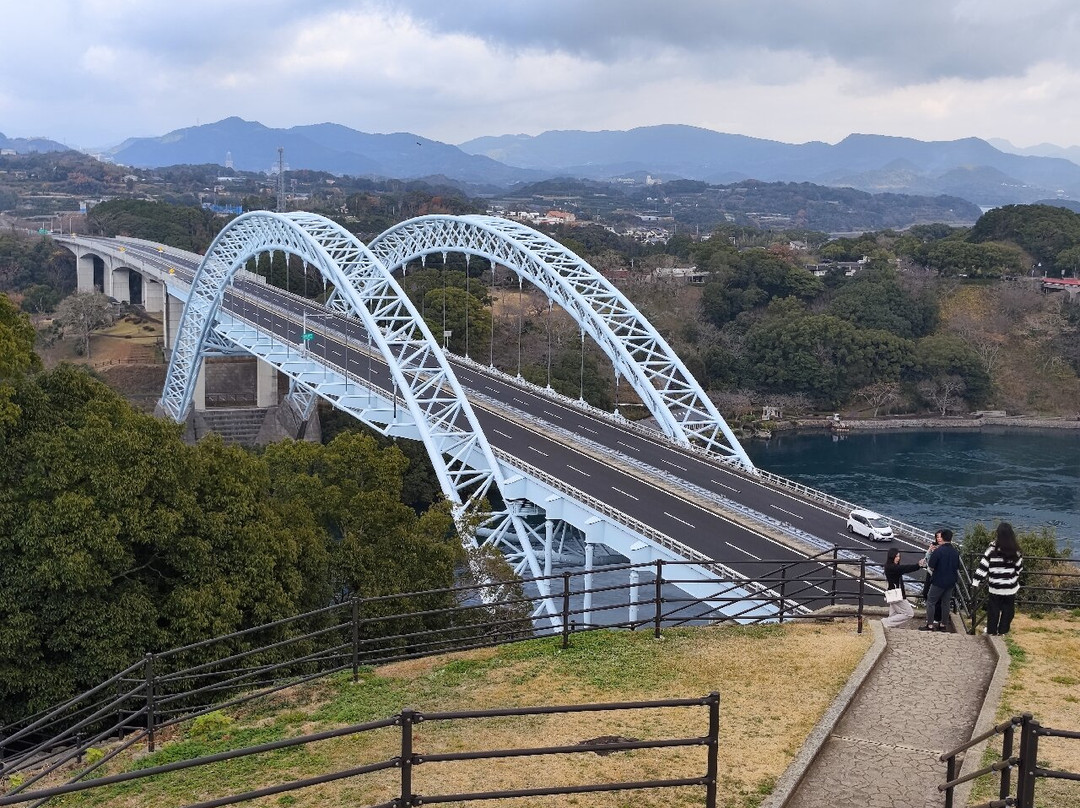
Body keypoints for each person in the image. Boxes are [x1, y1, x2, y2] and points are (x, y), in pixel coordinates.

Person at [972, 522, 1024, 635]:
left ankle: (991, 631)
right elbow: (1019, 569)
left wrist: (976, 581)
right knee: (1008, 611)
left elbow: (983, 566)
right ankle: (1003, 631)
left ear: (998, 534)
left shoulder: (992, 548)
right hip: (1010, 586)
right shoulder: (1016, 550)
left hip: (995, 586)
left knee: (993, 610)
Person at [921, 528, 959, 632]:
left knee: (931, 601)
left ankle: (930, 624)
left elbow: (931, 566)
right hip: (951, 581)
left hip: (938, 581)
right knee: (946, 603)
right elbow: (957, 566)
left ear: (942, 537)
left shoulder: (939, 551)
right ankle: (943, 624)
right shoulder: (955, 552)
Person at [883, 548, 925, 628]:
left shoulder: (890, 566)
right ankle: (885, 622)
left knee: (894, 613)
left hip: (892, 594)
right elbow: (905, 568)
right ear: (892, 557)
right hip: (896, 594)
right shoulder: (892, 568)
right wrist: (918, 565)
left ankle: (890, 628)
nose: (898, 558)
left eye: (899, 556)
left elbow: (903, 568)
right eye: (896, 556)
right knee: (909, 613)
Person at [921, 531, 944, 625]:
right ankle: (932, 616)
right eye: (937, 537)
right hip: (930, 573)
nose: (938, 539)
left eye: (940, 537)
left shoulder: (944, 549)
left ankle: (936, 617)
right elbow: (926, 560)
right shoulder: (934, 547)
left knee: (938, 597)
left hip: (938, 575)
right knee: (926, 593)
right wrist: (930, 550)